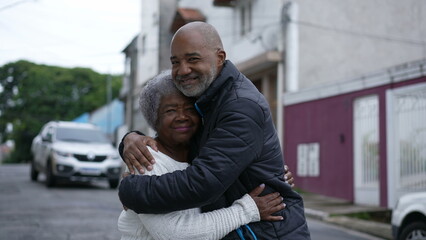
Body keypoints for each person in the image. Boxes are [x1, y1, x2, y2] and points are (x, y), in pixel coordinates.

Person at [119, 21, 311, 239]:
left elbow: (202, 183)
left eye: (193, 59)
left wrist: (130, 190)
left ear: (220, 57)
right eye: (175, 62)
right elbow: (183, 144)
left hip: (265, 232)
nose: (183, 69)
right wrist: (130, 139)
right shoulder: (207, 100)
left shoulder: (240, 105)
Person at [118, 70, 286, 240]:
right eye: (170, 111)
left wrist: (269, 175)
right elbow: (173, 233)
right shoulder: (145, 159)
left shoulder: (202, 154)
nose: (182, 117)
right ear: (154, 118)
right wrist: (247, 210)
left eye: (190, 109)